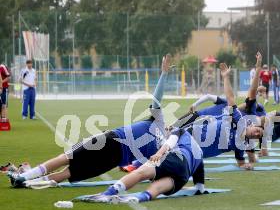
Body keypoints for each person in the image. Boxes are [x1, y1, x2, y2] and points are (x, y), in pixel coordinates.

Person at [8, 55, 180, 188]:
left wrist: (163, 74)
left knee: (67, 165)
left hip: (112, 149)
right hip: (113, 149)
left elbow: (146, 167)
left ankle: (25, 180)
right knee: (68, 165)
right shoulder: (161, 139)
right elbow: (157, 100)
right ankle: (25, 180)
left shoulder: (161, 138)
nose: (169, 126)